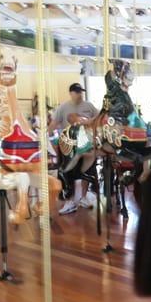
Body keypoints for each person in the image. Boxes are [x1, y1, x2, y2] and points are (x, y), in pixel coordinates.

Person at [48, 83, 98, 215]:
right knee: (67, 171)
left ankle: (83, 197)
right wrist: (46, 134)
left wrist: (90, 122)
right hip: (69, 144)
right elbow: (54, 122)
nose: (80, 94)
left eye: (81, 92)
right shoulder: (63, 107)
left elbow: (98, 119)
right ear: (71, 93)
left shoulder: (89, 106)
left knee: (88, 169)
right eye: (77, 92)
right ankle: (69, 199)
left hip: (86, 142)